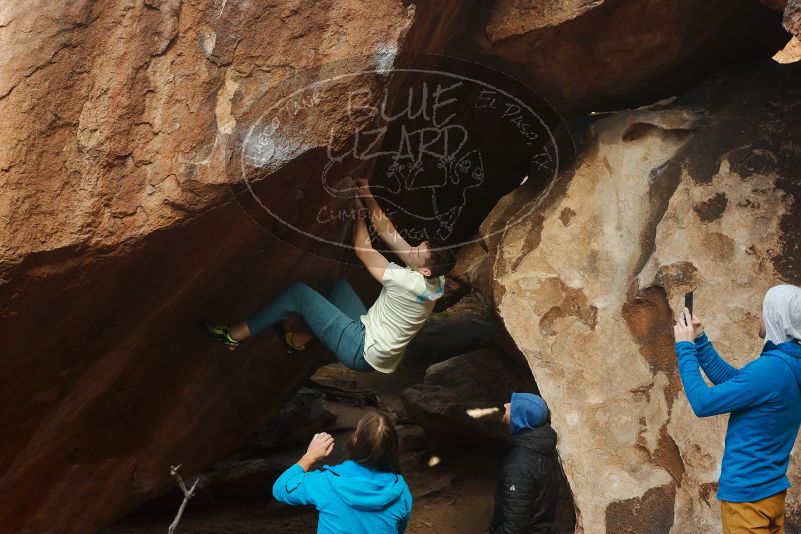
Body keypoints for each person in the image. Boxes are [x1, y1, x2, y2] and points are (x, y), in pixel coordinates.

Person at [202, 178, 456, 373]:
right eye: (418, 245)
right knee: (338, 288)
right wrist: (367, 195)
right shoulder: (437, 279)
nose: (411, 249)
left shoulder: (408, 283)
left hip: (362, 349)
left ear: (423, 270)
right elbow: (391, 234)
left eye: (417, 252)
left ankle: (233, 336)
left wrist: (358, 214)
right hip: (377, 343)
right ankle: (297, 340)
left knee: (297, 293)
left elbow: (363, 250)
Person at [673, 284, 801, 533]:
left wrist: (685, 347)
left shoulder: (772, 369)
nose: (757, 314)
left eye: (763, 309)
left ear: (776, 316)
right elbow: (737, 384)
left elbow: (703, 403)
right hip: (771, 491)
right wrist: (699, 340)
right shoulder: (789, 363)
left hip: (748, 498)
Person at [272, 411, 412, 534]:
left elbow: (281, 488)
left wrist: (309, 457)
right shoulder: (400, 491)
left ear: (355, 441)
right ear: (393, 448)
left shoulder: (326, 482)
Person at [489, 392, 560, 534]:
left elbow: (513, 528)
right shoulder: (542, 447)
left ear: (521, 418)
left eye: (512, 406)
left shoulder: (519, 464)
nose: (506, 405)